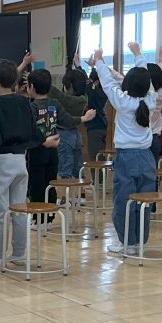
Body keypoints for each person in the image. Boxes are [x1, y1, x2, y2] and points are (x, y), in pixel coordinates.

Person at [94, 42, 156, 255]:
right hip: (147, 157)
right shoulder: (151, 100)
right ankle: (139, 242)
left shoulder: (123, 101)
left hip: (126, 158)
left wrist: (99, 60)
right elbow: (146, 78)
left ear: (128, 83)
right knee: (143, 201)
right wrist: (138, 54)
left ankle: (127, 243)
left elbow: (107, 82)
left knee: (123, 201)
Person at [0, 58, 38, 267]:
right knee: (19, 209)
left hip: (1, 161)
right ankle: (19, 253)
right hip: (20, 160)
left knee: (1, 212)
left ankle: (0, 255)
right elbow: (32, 129)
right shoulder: (24, 101)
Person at [26, 68, 94, 215]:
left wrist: (41, 140)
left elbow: (30, 128)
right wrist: (83, 118)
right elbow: (67, 119)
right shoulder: (55, 103)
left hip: (40, 149)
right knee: (52, 180)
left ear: (31, 87)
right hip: (55, 147)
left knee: (39, 183)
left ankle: (39, 216)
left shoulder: (32, 106)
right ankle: (50, 215)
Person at [55, 66, 89, 178]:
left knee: (66, 169)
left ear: (70, 86)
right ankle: (79, 188)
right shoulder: (84, 98)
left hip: (65, 136)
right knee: (77, 168)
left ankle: (67, 189)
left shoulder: (74, 100)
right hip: (75, 135)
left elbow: (58, 95)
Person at [84, 67, 109, 161]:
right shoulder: (104, 92)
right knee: (101, 156)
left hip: (94, 128)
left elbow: (86, 86)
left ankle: (98, 172)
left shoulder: (93, 93)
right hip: (103, 126)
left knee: (95, 158)